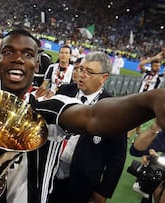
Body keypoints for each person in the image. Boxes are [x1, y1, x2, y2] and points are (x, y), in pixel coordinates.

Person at [0, 28, 165, 203]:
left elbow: (93, 118)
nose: (18, 59)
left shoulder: (48, 107)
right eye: (8, 51)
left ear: (36, 65)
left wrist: (150, 101)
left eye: (28, 54)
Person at [50, 51, 127, 203]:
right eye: (80, 69)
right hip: (50, 171)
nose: (81, 75)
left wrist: (103, 191)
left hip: (81, 183)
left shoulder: (113, 108)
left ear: (104, 77)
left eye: (89, 72)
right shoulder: (65, 91)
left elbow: (117, 157)